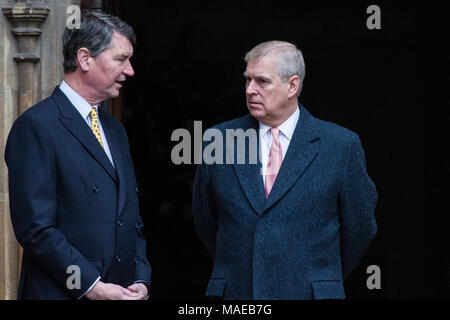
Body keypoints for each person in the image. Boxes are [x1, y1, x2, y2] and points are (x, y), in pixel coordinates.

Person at [192, 40, 378, 299]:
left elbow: (360, 227)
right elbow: (205, 220)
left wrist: (321, 276)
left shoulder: (341, 145)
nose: (250, 90)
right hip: (238, 295)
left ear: (292, 85)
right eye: (247, 80)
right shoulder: (219, 141)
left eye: (262, 81)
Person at [4, 11, 151, 300]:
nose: (130, 70)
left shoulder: (115, 130)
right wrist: (91, 287)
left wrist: (141, 277)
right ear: (85, 59)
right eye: (121, 59)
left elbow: (131, 218)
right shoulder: (37, 125)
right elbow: (36, 229)